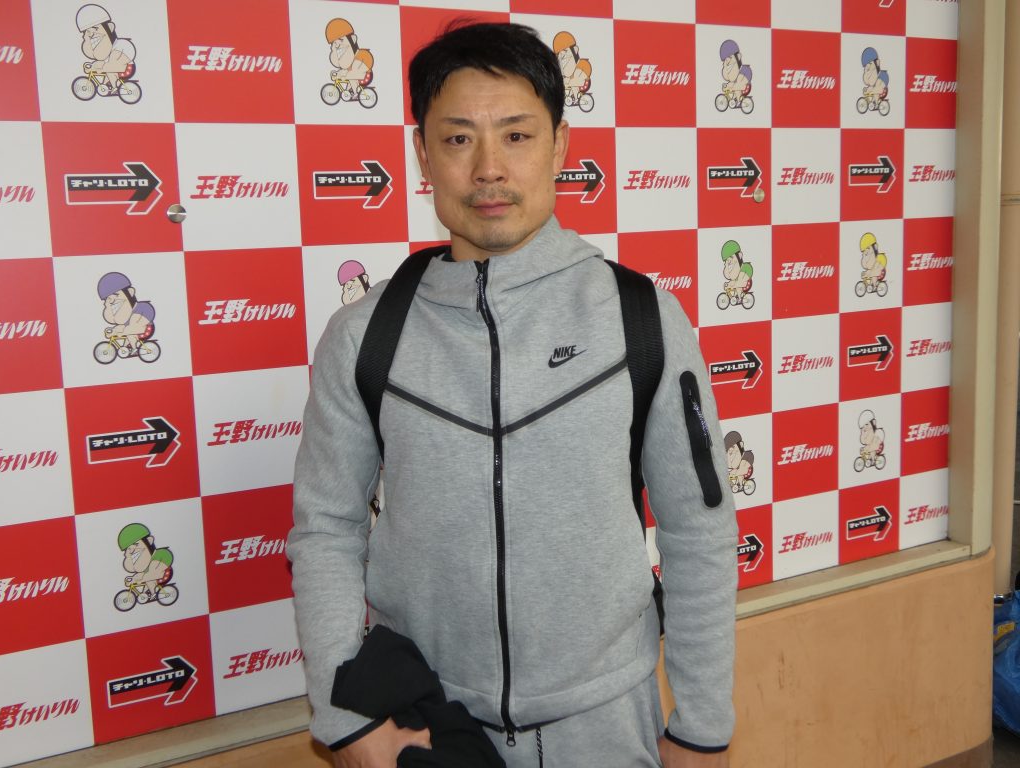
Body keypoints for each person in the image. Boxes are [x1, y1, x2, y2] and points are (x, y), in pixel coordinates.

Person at [288, 21, 737, 768]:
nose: (489, 169)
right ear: (422, 154)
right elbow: (325, 531)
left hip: (608, 726)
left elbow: (699, 529)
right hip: (428, 727)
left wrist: (703, 725)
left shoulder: (641, 319)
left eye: (518, 136)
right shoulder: (364, 335)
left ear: (559, 146)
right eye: (459, 139)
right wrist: (343, 721)